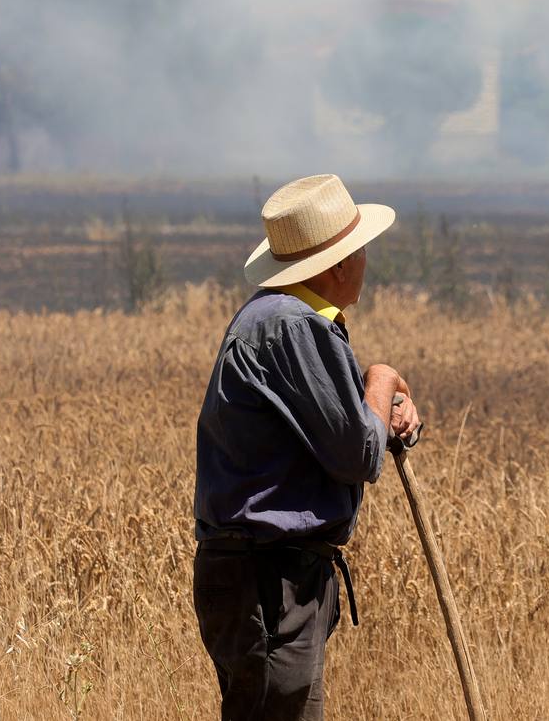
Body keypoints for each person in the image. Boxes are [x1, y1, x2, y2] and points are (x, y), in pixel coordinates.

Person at [192, 173, 421, 720]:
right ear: (339, 264)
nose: (366, 260)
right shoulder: (292, 327)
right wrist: (384, 379)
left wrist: (380, 404)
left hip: (269, 579)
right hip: (270, 582)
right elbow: (358, 455)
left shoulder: (280, 321)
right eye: (359, 249)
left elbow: (344, 428)